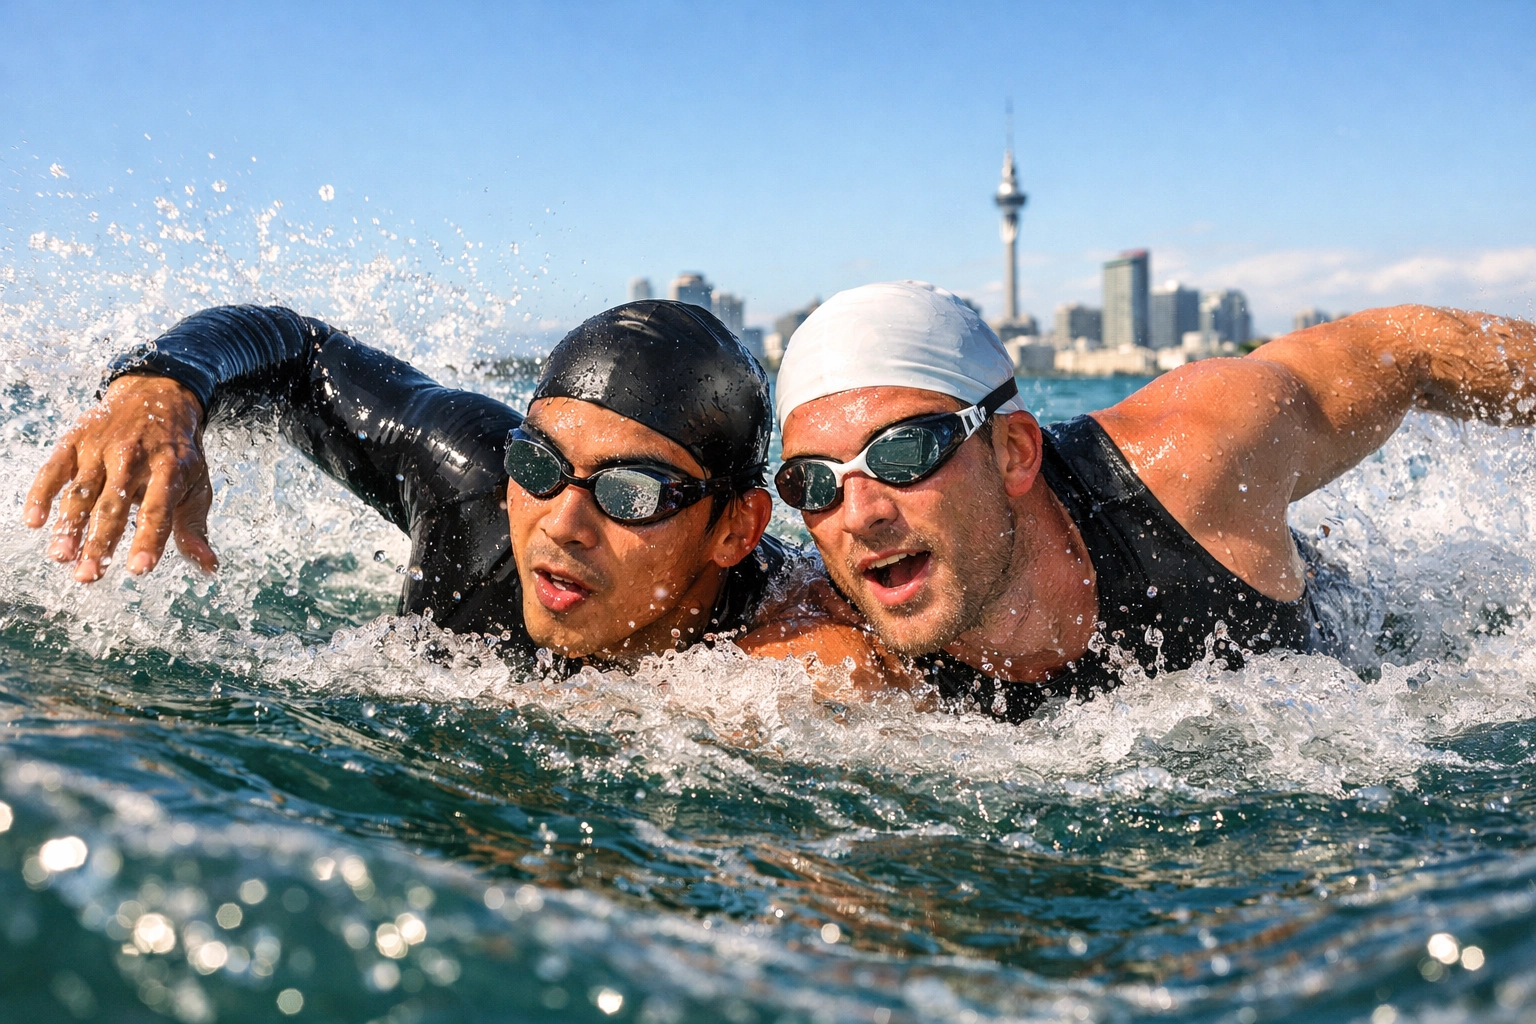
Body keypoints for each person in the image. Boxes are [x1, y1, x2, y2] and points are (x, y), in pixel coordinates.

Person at [772, 280, 1536, 722]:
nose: (861, 511)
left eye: (905, 452)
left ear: (1013, 452)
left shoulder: (1197, 460)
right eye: (812, 482)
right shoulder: (826, 638)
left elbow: (1407, 349)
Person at [23, 300, 880, 676]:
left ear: (736, 528)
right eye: (540, 467)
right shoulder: (472, 475)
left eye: (631, 494)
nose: (561, 525)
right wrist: (162, 390)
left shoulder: (801, 642)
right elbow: (294, 346)